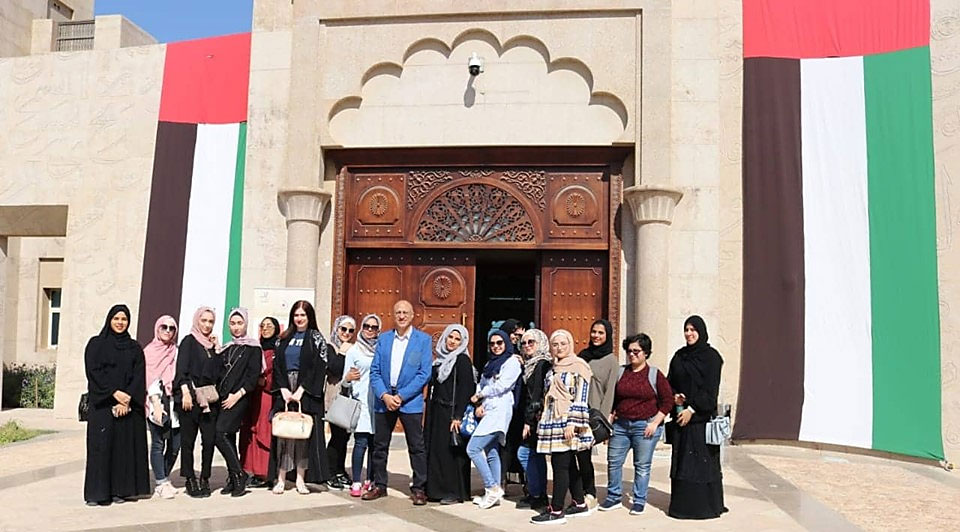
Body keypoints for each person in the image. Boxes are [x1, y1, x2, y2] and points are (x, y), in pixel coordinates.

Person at [269, 300, 344, 495]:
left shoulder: (316, 338)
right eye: (296, 315)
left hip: (306, 392)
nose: (299, 318)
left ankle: (301, 479)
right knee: (284, 434)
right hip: (285, 389)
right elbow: (277, 365)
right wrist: (283, 389)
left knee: (303, 435)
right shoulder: (283, 338)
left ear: (309, 316)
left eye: (303, 315)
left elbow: (318, 366)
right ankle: (281, 478)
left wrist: (301, 390)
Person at [362, 300, 432, 504]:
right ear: (393, 315)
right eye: (398, 312)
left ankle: (419, 488)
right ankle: (379, 484)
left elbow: (424, 373)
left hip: (410, 401)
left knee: (416, 446)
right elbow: (375, 371)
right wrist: (384, 395)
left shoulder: (423, 340)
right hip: (385, 399)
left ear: (412, 316)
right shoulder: (384, 339)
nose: (401, 316)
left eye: (405, 312)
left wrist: (401, 396)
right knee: (380, 445)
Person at [83, 304, 151, 506]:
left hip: (127, 406)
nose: (120, 323)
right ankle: (97, 494)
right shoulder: (96, 344)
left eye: (124, 319)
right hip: (103, 406)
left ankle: (120, 491)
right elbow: (93, 372)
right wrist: (114, 393)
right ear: (109, 320)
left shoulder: (134, 347)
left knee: (122, 449)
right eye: (116, 318)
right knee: (101, 448)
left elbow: (139, 375)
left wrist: (127, 398)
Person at [599, 333, 674, 515]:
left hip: (645, 426)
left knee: (642, 466)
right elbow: (613, 399)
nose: (632, 354)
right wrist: (609, 420)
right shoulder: (621, 373)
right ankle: (613, 496)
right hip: (621, 425)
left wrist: (655, 423)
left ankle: (639, 500)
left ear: (646, 353)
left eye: (636, 351)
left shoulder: (654, 375)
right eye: (629, 351)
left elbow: (667, 401)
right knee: (614, 462)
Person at [531, 329, 593, 525]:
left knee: (560, 466)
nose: (559, 348)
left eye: (563, 344)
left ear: (570, 344)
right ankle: (579, 503)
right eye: (555, 344)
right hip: (552, 420)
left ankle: (556, 510)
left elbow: (581, 397)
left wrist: (573, 423)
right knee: (568, 465)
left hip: (568, 421)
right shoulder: (553, 368)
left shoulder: (579, 366)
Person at [666, 315, 726, 519]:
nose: (689, 334)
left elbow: (710, 390)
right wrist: (675, 398)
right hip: (681, 420)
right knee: (683, 463)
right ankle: (682, 507)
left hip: (701, 421)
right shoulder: (679, 356)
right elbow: (669, 383)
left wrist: (691, 409)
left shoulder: (712, 358)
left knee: (702, 464)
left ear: (701, 331)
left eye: (693, 330)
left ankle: (704, 507)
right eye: (686, 329)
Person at [468, 329, 523, 509]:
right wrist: (479, 401)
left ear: (506, 343)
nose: (496, 346)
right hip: (488, 409)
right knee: (491, 451)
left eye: (499, 343)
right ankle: (495, 491)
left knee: (473, 448)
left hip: (499, 410)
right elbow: (482, 383)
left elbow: (502, 385)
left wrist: (480, 395)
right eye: (492, 344)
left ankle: (491, 486)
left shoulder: (512, 362)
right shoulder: (490, 363)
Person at [213, 308, 263, 497]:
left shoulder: (253, 347)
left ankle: (240, 474)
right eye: (232, 324)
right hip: (223, 398)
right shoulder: (228, 347)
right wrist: (217, 350)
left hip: (239, 398)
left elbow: (253, 377)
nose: (236, 327)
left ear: (246, 324)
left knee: (220, 434)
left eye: (239, 323)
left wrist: (237, 395)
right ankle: (233, 478)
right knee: (229, 436)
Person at [424, 324, 475, 504]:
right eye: (450, 337)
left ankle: (454, 491)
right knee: (437, 452)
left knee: (451, 453)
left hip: (452, 412)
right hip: (437, 411)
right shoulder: (439, 360)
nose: (452, 342)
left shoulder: (462, 360)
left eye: (457, 339)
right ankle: (435, 490)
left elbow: (466, 389)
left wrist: (458, 416)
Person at [174, 306, 220, 498]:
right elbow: (181, 369)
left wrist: (217, 350)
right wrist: (185, 392)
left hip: (209, 400)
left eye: (211, 321)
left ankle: (205, 478)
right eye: (204, 320)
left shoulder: (212, 346)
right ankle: (190, 478)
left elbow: (218, 373)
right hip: (191, 399)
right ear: (197, 321)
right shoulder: (189, 341)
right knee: (188, 441)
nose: (207, 325)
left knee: (209, 441)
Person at [576, 318, 618, 507]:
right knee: (572, 453)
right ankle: (576, 491)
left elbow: (610, 393)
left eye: (601, 333)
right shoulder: (582, 356)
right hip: (576, 411)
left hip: (593, 415)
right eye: (594, 332)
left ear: (607, 335)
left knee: (584, 455)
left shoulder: (611, 361)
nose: (596, 336)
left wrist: (603, 422)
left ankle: (589, 491)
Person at [342, 314, 381, 497]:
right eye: (366, 326)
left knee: (375, 444)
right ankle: (356, 480)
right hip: (361, 401)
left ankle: (370, 480)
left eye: (374, 327)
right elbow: (345, 380)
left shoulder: (381, 349)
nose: (370, 330)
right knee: (361, 442)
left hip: (378, 401)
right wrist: (348, 378)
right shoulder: (354, 351)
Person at [143, 315, 181, 500]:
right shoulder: (149, 352)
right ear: (157, 329)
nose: (167, 331)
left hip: (174, 403)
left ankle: (164, 478)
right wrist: (156, 404)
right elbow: (149, 378)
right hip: (156, 402)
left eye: (171, 328)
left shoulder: (176, 351)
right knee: (158, 443)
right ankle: (160, 481)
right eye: (164, 327)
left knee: (175, 445)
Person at [515, 328, 552, 510]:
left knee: (525, 454)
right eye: (524, 343)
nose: (527, 345)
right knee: (535, 456)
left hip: (535, 418)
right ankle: (537, 494)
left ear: (540, 343)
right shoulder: (530, 364)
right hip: (532, 417)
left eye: (531, 342)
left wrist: (528, 422)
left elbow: (536, 396)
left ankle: (538, 494)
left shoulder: (541, 364)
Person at [241, 316, 280, 488]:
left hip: (267, 396)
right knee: (251, 432)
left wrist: (266, 382)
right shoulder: (255, 347)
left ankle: (265, 472)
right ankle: (252, 470)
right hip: (252, 395)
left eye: (269, 326)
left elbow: (279, 373)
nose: (265, 329)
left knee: (264, 432)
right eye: (262, 326)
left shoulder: (278, 350)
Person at [326, 315, 357, 490]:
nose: (346, 333)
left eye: (350, 330)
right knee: (337, 435)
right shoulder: (330, 347)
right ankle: (331, 472)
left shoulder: (354, 348)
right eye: (343, 329)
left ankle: (339, 470)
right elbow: (334, 369)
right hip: (335, 397)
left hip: (348, 398)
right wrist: (343, 352)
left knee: (344, 437)